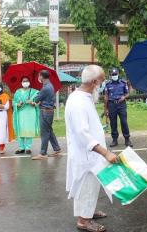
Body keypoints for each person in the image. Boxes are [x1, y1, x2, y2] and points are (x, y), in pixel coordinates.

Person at [65, 65, 118, 232]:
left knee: (91, 186)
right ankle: (84, 221)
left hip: (90, 154)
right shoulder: (79, 102)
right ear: (95, 81)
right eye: (102, 80)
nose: (103, 85)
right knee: (87, 186)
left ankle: (88, 212)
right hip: (87, 155)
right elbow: (82, 133)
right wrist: (106, 153)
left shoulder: (84, 97)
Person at [32, 70, 61, 160]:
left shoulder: (46, 88)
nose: (38, 78)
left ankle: (43, 153)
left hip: (45, 112)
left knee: (44, 132)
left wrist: (33, 100)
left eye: (39, 76)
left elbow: (36, 99)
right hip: (48, 111)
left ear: (41, 76)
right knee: (49, 131)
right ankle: (57, 149)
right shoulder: (49, 85)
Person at [104, 67, 133, 147]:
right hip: (111, 105)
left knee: (124, 122)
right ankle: (114, 140)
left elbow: (127, 93)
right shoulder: (108, 84)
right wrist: (105, 109)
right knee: (113, 123)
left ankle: (127, 139)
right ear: (111, 75)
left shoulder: (123, 83)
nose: (114, 75)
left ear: (118, 74)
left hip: (121, 105)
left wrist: (124, 97)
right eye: (113, 74)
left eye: (115, 74)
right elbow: (106, 96)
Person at [12, 76, 40, 154]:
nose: (25, 82)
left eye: (27, 81)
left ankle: (28, 147)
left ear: (29, 82)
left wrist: (32, 102)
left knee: (29, 129)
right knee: (20, 129)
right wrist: (18, 104)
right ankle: (21, 147)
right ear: (21, 82)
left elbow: (38, 103)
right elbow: (13, 102)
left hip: (30, 112)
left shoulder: (34, 92)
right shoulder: (17, 92)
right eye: (24, 81)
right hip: (21, 113)